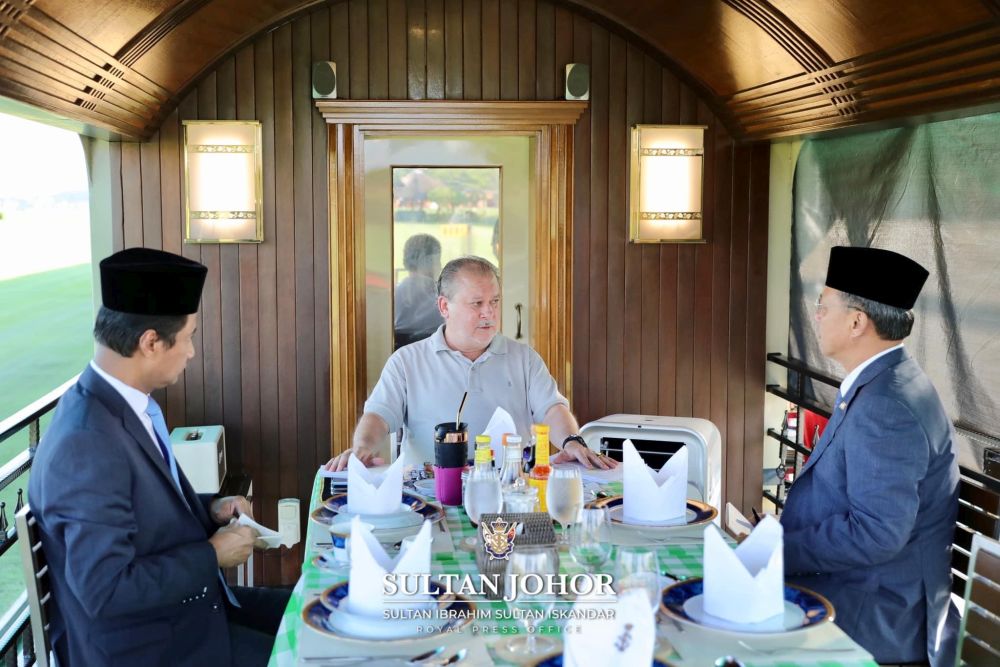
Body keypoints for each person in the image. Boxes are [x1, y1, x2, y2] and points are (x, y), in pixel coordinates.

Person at [28, 248, 290, 667]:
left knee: (319, 610)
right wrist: (213, 556)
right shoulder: (85, 443)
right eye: (188, 337)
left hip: (185, 613)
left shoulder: (124, 404)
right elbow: (105, 590)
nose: (190, 352)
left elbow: (144, 509)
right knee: (322, 652)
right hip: (150, 647)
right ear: (150, 342)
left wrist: (212, 510)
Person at [781, 246, 958, 666]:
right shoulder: (890, 379)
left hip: (874, 611)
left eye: (824, 305)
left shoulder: (886, 405)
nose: (817, 315)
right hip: (863, 587)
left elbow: (878, 531)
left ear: (858, 321)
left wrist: (779, 550)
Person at [326, 255, 614, 471]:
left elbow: (552, 408)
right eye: (477, 304)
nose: (489, 312)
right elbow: (378, 415)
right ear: (444, 307)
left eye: (495, 301)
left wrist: (571, 441)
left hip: (510, 489)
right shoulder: (406, 361)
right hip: (431, 493)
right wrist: (361, 448)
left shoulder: (524, 358)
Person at [394, 233, 445, 349]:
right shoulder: (441, 299)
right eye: (438, 260)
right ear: (426, 261)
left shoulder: (393, 295)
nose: (440, 266)